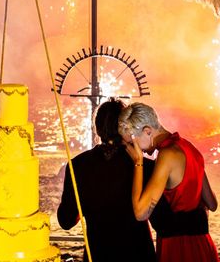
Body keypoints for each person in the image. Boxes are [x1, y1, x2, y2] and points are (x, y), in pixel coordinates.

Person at [57, 99, 156, 262]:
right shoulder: (145, 166)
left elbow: (66, 221)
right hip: (139, 254)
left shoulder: (78, 165)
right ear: (126, 127)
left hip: (99, 254)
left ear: (97, 128)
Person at [119, 102, 219, 262]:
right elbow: (212, 203)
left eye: (133, 143)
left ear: (147, 131)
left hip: (179, 247)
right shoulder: (189, 147)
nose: (136, 149)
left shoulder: (167, 155)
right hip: (202, 243)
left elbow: (140, 213)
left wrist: (138, 162)